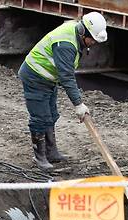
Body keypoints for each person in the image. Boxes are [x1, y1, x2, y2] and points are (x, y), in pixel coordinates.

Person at [18, 11, 108, 171]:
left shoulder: (75, 35)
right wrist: (78, 104)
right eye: (92, 39)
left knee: (51, 115)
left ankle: (51, 153)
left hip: (48, 79)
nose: (93, 43)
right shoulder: (66, 44)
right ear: (83, 32)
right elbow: (66, 77)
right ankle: (40, 158)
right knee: (40, 118)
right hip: (35, 76)